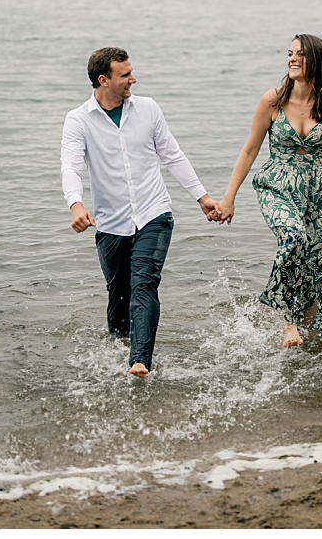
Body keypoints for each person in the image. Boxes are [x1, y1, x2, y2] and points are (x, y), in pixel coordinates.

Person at [61, 47, 220, 377]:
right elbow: (71, 166)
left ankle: (140, 360)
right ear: (104, 80)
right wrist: (76, 204)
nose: (133, 78)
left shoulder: (148, 109)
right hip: (110, 222)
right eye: (125, 74)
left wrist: (201, 197)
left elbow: (172, 155)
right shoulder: (78, 120)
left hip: (154, 213)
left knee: (144, 283)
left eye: (131, 71)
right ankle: (119, 351)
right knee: (119, 297)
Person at [216, 34, 322, 348]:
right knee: (293, 238)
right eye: (289, 53)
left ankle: (309, 346)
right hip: (279, 185)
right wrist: (229, 197)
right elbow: (249, 150)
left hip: (319, 191)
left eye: (300, 55)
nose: (292, 59)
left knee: (317, 265)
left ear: (315, 60)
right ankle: (288, 322)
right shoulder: (272, 100)